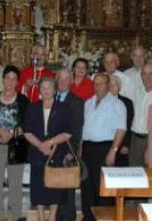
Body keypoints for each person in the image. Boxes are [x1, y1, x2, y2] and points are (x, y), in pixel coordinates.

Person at [0, 65, 30, 221]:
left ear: (17, 82)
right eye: (7, 77)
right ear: (3, 79)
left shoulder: (23, 100)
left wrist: (11, 135)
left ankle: (15, 214)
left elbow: (28, 123)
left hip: (17, 144)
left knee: (15, 181)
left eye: (13, 78)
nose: (10, 81)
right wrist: (0, 131)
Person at [25, 76, 73, 221]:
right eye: (43, 87)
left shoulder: (64, 108)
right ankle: (40, 215)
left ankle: (52, 216)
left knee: (55, 185)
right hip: (36, 151)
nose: (46, 90)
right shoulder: (32, 107)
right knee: (38, 184)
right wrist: (40, 145)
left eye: (49, 87)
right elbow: (27, 131)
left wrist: (50, 143)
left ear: (55, 90)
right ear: (39, 90)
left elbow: (68, 132)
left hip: (56, 151)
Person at [80, 73, 126, 221]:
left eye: (101, 83)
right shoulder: (88, 103)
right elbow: (84, 128)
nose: (97, 86)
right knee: (87, 187)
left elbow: (121, 129)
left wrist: (113, 151)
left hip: (105, 149)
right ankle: (89, 217)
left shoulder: (117, 104)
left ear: (108, 85)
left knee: (103, 188)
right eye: (96, 83)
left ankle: (105, 218)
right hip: (87, 148)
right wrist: (80, 146)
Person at [54, 68, 84, 221]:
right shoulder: (50, 98)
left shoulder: (77, 102)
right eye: (61, 78)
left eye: (67, 79)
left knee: (67, 192)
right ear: (56, 79)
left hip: (67, 152)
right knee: (54, 190)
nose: (63, 81)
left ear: (71, 81)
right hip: (51, 152)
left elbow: (77, 129)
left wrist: (71, 151)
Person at [129, 63, 152, 167]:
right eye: (144, 74)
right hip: (135, 139)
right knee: (134, 172)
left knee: (150, 172)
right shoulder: (136, 92)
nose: (147, 78)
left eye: (151, 74)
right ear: (141, 76)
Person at [109, 75, 134, 167]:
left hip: (121, 143)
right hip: (105, 143)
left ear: (119, 87)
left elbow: (129, 124)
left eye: (114, 85)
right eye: (109, 85)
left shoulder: (127, 103)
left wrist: (126, 144)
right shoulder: (101, 101)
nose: (111, 87)